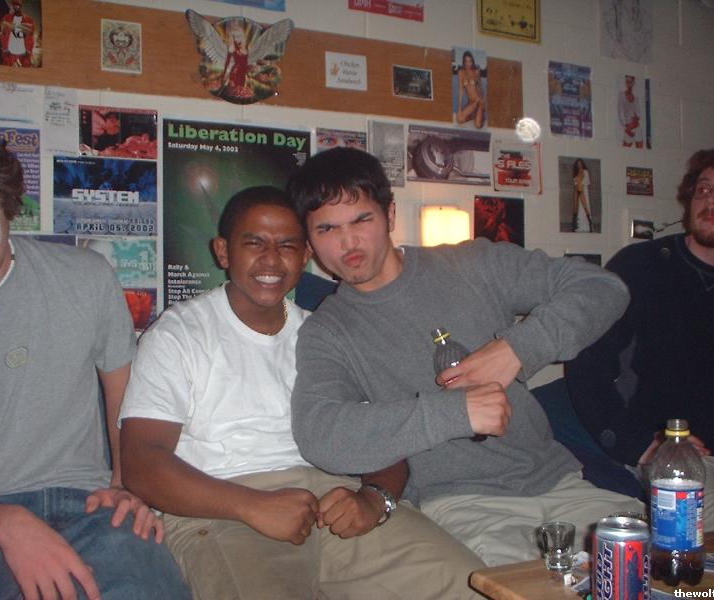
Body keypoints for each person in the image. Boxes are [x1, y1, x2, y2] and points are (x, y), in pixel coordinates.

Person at [118, 186, 485, 599]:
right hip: (224, 509)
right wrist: (252, 505)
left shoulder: (326, 334)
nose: (271, 259)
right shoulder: (179, 334)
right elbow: (141, 463)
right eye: (254, 243)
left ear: (305, 255)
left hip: (332, 499)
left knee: (474, 586)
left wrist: (373, 499)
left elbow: (384, 436)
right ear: (223, 252)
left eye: (287, 245)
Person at [287, 147, 644, 567]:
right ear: (310, 241)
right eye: (327, 228)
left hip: (561, 484)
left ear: (390, 214)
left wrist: (517, 349)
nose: (348, 242)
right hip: (461, 505)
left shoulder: (471, 263)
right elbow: (319, 433)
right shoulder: (327, 331)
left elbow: (604, 288)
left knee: (665, 568)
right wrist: (456, 413)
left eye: (361, 220)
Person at [0, 125, 190, 599]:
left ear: (5, 202)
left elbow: (125, 398)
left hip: (91, 507)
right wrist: (3, 524)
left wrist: (128, 486)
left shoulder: (86, 277)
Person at [566, 146, 714, 541]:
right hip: (676, 464)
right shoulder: (639, 268)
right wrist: (644, 448)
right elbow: (586, 368)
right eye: (703, 189)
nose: (712, 199)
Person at [0, 0, 35, 67]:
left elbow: (31, 37)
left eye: (17, 5)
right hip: (10, 54)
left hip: (23, 55)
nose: (15, 7)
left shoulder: (29, 20)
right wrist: (5, 48)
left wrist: (28, 50)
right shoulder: (7, 18)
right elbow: (3, 34)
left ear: (21, 6)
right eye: (13, 5)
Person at [456, 50, 486, 129]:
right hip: (471, 102)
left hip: (479, 101)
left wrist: (478, 101)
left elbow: (481, 89)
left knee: (478, 126)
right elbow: (461, 90)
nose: (468, 63)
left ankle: (480, 113)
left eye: (470, 61)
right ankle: (473, 116)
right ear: (464, 61)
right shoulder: (461, 72)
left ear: (472, 62)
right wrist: (459, 108)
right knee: (459, 119)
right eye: (466, 61)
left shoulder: (476, 72)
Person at [617, 75, 644, 148]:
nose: (628, 84)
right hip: (629, 129)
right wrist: (626, 129)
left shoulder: (636, 97)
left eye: (630, 82)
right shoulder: (621, 95)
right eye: (627, 82)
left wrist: (636, 117)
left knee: (641, 152)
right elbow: (620, 114)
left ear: (633, 83)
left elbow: (639, 113)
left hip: (637, 128)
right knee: (624, 153)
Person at [572, 158, 593, 232]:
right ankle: (576, 226)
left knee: (585, 207)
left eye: (580, 164)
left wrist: (580, 181)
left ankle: (589, 225)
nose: (579, 165)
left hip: (583, 190)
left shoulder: (585, 171)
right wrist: (577, 180)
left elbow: (587, 181)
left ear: (582, 164)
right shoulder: (576, 172)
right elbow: (575, 183)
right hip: (577, 190)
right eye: (578, 164)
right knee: (576, 208)